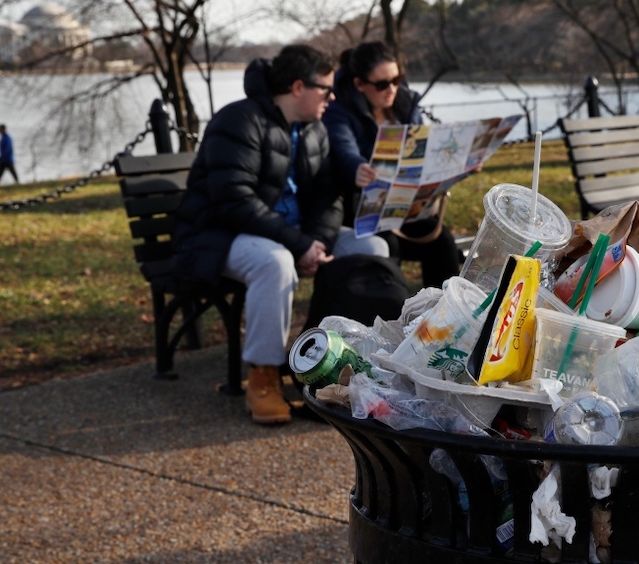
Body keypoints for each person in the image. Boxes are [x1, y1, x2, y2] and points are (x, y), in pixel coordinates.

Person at [171, 45, 389, 425]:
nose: (332, 96)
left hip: (293, 236)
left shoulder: (315, 130)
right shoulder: (238, 120)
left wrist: (316, 241)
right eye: (325, 88)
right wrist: (299, 244)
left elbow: (328, 195)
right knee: (275, 262)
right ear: (298, 86)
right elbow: (231, 199)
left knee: (371, 244)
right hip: (219, 235)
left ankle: (354, 364)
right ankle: (264, 378)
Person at [323, 41, 461, 289]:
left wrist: (456, 165)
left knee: (442, 241)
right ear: (359, 84)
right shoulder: (338, 109)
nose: (392, 89)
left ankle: (446, 316)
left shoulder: (405, 102)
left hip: (406, 207)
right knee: (389, 246)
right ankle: (395, 317)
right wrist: (358, 168)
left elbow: (427, 147)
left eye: (397, 79)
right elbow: (343, 148)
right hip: (361, 211)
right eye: (382, 84)